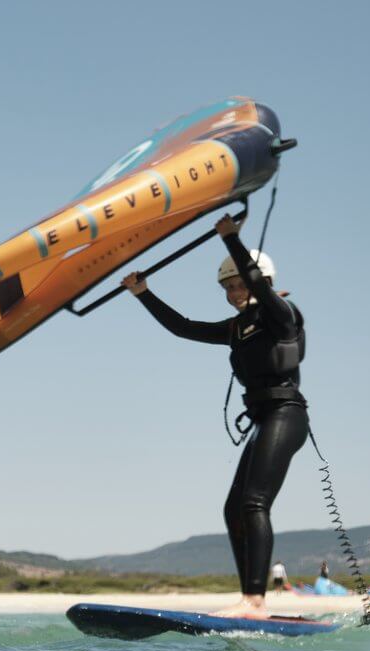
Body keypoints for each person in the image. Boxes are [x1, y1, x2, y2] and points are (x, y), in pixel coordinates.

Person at [123, 213, 307, 620]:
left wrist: (231, 241)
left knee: (254, 503)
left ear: (263, 281)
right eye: (229, 287)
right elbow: (184, 328)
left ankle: (256, 601)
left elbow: (258, 283)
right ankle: (249, 598)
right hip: (263, 420)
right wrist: (142, 293)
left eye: (242, 282)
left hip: (286, 415)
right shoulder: (237, 328)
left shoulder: (282, 315)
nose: (236, 291)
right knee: (233, 509)